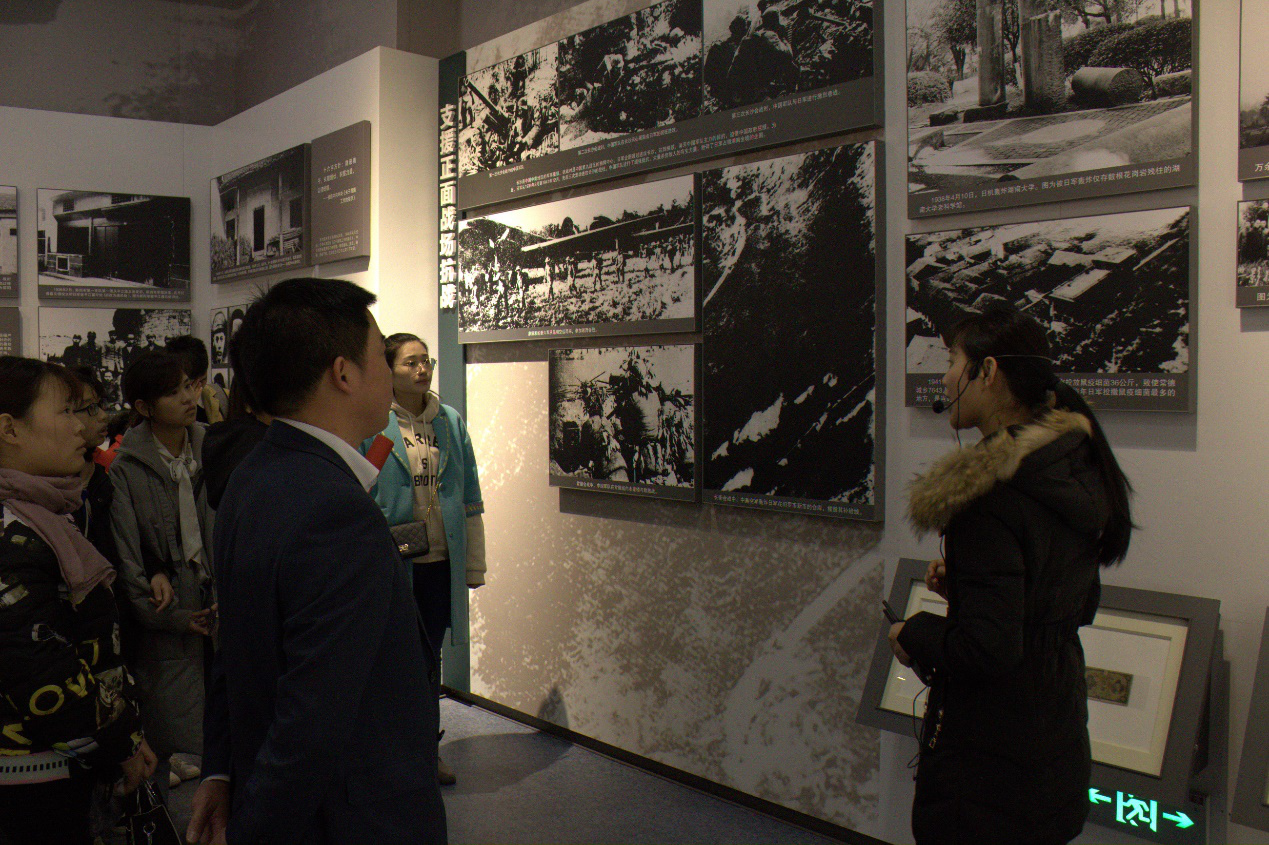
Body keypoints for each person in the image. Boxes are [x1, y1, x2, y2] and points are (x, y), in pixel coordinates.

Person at [188, 279, 447, 845]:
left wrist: (221, 768)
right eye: (380, 355)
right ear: (344, 373)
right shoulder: (333, 509)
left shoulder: (254, 475)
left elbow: (237, 647)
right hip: (350, 819)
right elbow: (313, 719)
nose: (392, 373)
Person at [890, 306, 1134, 845]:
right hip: (1054, 736)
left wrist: (914, 633)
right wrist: (969, 585)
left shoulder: (990, 495)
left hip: (989, 767)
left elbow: (988, 648)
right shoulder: (1071, 464)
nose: (945, 378)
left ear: (988, 371)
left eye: (952, 361)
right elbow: (1071, 601)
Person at [0, 357, 156, 845]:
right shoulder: (13, 533)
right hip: (29, 781)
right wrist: (121, 743)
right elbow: (39, 669)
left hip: (57, 767)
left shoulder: (42, 514)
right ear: (10, 429)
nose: (81, 427)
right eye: (66, 411)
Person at [363, 333, 486, 787]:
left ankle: (425, 751)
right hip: (392, 561)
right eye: (410, 362)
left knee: (428, 659)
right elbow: (360, 488)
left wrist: (474, 564)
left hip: (438, 561)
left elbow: (470, 495)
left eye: (426, 361)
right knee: (390, 659)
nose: (422, 369)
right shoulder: (375, 423)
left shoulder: (449, 422)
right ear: (389, 369)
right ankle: (386, 754)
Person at [109, 351, 216, 801]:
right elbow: (127, 560)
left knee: (229, 734)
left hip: (218, 609)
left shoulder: (212, 448)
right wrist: (173, 619)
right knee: (163, 738)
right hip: (168, 625)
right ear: (144, 406)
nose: (189, 398)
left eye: (189, 386)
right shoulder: (126, 468)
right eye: (173, 392)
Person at [167, 335, 225, 424]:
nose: (199, 387)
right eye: (189, 385)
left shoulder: (218, 396)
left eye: (203, 380)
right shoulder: (166, 404)